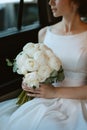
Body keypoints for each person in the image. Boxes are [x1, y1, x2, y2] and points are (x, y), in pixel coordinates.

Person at [0, 0, 87, 130]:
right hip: (45, 100)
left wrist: (55, 91)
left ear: (75, 1)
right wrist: (31, 81)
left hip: (77, 102)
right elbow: (40, 72)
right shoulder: (44, 33)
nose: (50, 2)